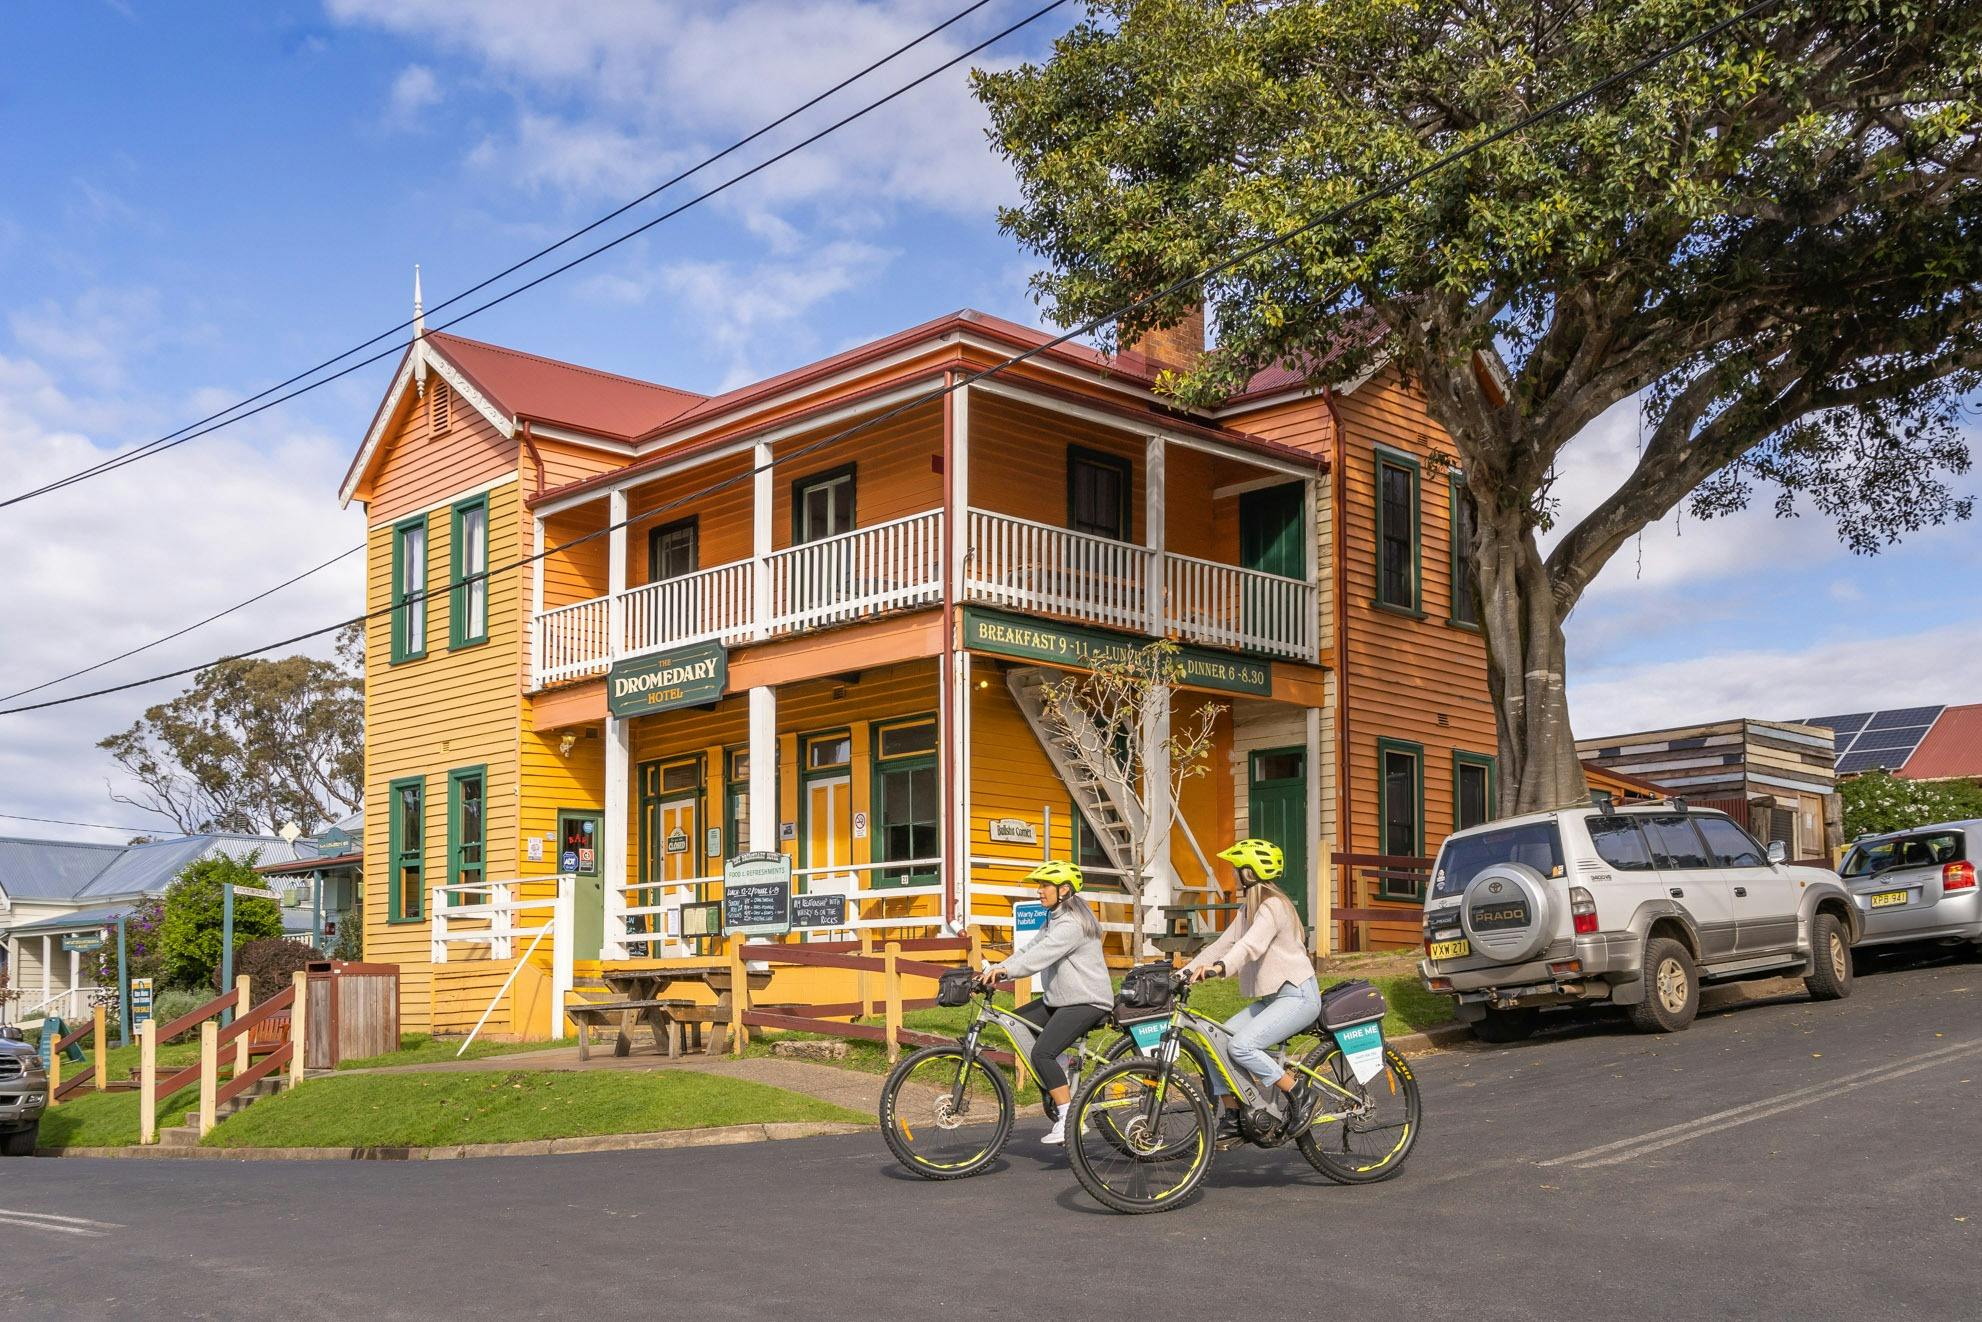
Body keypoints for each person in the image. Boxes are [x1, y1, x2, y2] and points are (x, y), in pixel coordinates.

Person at [1182, 838, 1319, 1140]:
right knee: (1215, 1042)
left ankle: (1300, 1093)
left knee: (1241, 1046)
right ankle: (1233, 1116)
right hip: (1275, 999)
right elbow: (1224, 943)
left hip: (1298, 996)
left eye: (1235, 868)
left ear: (1249, 873)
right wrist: (1183, 972)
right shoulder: (1251, 908)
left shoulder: (1273, 906)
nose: (1232, 873)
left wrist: (1220, 968)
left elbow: (1249, 946)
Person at [981, 860, 1112, 1147]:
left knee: (1042, 1053)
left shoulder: (1073, 924)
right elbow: (1030, 949)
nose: (1039, 891)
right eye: (1038, 886)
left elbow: (1042, 956)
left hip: (1087, 1000)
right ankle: (1063, 1065)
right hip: (1061, 999)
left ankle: (1068, 1118)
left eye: (1044, 886)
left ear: (1064, 890)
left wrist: (1005, 972)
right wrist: (997, 967)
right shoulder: (1054, 918)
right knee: (1017, 1024)